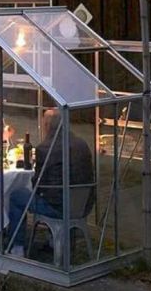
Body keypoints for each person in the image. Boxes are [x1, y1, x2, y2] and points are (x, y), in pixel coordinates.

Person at [6, 108, 95, 256]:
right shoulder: (81, 144)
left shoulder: (45, 148)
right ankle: (55, 241)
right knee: (58, 190)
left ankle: (17, 247)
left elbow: (38, 184)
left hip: (59, 207)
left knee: (16, 195)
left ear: (47, 125)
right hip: (83, 204)